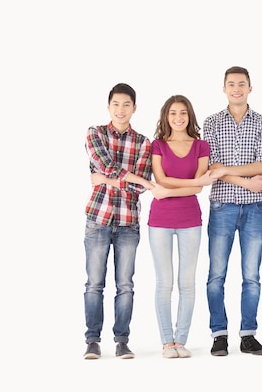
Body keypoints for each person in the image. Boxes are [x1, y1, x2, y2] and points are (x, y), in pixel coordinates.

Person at [83, 83, 164, 359]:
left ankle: (122, 340)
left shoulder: (143, 143)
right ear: (109, 106)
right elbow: (106, 164)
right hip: (98, 219)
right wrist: (130, 178)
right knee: (94, 283)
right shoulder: (95, 133)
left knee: (125, 285)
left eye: (126, 105)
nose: (120, 109)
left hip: (129, 223)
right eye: (116, 104)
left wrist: (105, 179)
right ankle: (92, 340)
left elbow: (139, 187)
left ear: (134, 108)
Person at [203, 66, 262, 356]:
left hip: (255, 208)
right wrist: (245, 181)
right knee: (216, 274)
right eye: (231, 84)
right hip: (222, 205)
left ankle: (248, 334)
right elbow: (211, 166)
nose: (236, 89)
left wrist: (225, 172)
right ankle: (219, 334)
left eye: (241, 84)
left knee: (251, 276)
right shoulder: (211, 122)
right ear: (224, 88)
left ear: (250, 88)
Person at [148, 95, 218, 358]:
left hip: (190, 219)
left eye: (183, 113)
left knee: (187, 282)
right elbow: (160, 178)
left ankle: (181, 340)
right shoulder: (158, 145)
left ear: (190, 116)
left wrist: (168, 190)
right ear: (166, 116)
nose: (178, 118)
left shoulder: (201, 145)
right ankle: (167, 342)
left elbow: (200, 185)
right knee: (164, 282)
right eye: (173, 113)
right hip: (160, 220)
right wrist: (183, 185)